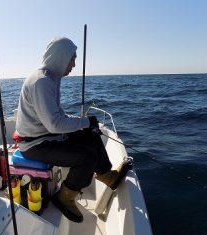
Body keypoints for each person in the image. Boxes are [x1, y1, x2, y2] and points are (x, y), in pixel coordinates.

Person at [15, 37, 131, 223]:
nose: (74, 64)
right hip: (35, 144)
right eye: (72, 59)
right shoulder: (41, 82)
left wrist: (86, 124)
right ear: (60, 57)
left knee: (90, 134)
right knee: (87, 157)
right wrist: (85, 121)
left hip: (48, 136)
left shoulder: (51, 78)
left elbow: (57, 117)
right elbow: (55, 124)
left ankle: (107, 176)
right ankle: (65, 197)